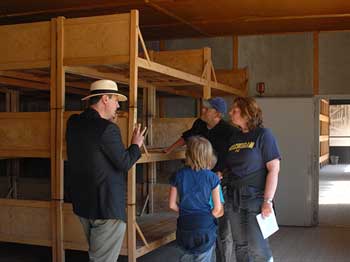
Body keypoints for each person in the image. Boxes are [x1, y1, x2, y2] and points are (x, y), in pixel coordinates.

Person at [66, 79, 146, 262]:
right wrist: (136, 145)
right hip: (106, 206)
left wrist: (107, 122)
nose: (118, 105)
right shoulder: (108, 129)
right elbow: (124, 163)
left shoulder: (73, 123)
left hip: (83, 204)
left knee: (97, 255)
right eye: (116, 100)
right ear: (104, 99)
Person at [164, 97, 236, 262]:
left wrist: (222, 174)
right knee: (208, 231)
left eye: (207, 109)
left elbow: (236, 158)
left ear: (217, 113)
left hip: (219, 183)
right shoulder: (199, 124)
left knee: (223, 232)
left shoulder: (230, 131)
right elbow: (186, 136)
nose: (202, 111)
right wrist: (170, 148)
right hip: (207, 180)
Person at [225, 96, 281, 262]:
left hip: (255, 198)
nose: (230, 112)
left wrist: (268, 201)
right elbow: (232, 165)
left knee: (258, 247)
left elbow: (274, 170)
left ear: (247, 113)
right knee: (240, 246)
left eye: (234, 110)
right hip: (234, 198)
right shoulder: (234, 137)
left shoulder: (263, 135)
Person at [169, 136, 224, 262]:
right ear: (208, 156)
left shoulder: (178, 175)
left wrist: (185, 212)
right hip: (204, 226)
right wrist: (205, 217)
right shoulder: (212, 178)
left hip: (185, 225)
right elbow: (217, 209)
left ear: (187, 153)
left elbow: (171, 205)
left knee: (186, 257)